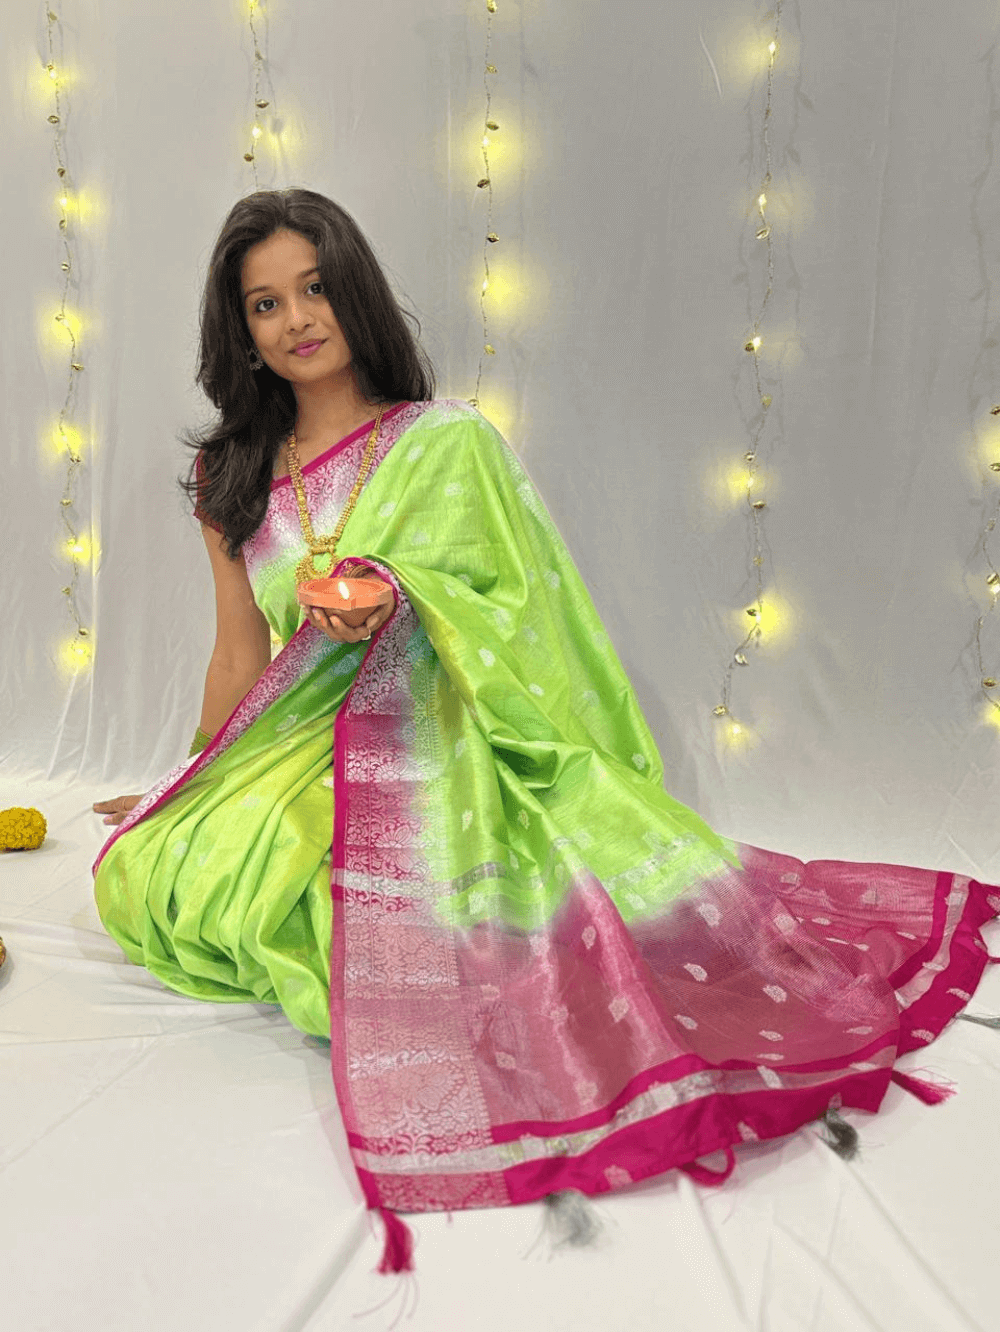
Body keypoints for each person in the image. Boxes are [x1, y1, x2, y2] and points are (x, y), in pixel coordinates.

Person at [93, 187, 1000, 1268]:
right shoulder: (231, 475)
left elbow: (522, 612)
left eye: (316, 288)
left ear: (355, 292)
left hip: (435, 740)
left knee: (372, 911)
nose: (297, 319)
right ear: (239, 330)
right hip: (301, 745)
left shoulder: (443, 443)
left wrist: (404, 601)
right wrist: (194, 780)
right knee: (146, 869)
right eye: (265, 303)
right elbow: (241, 654)